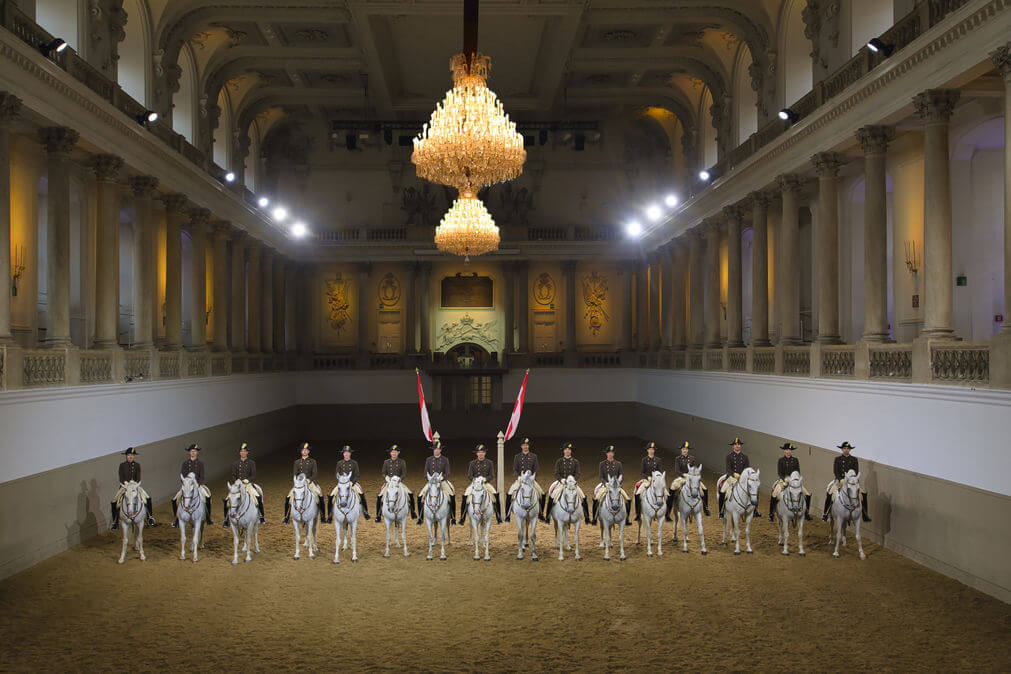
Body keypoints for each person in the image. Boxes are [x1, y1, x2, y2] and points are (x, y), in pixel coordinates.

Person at [823, 441, 871, 522]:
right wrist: (840, 479)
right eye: (844, 448)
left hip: (851, 482)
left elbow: (856, 471)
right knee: (830, 493)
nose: (846, 450)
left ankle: (865, 514)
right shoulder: (837, 459)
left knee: (863, 494)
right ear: (842, 449)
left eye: (848, 449)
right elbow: (836, 471)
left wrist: (854, 480)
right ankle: (826, 513)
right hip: (840, 481)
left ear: (850, 450)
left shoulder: (854, 460)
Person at [110, 447, 155, 529]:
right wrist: (125, 483)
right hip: (125, 487)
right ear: (126, 456)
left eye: (132, 455)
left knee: (147, 497)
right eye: (129, 455)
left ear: (134, 456)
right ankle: (115, 522)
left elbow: (138, 477)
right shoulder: (122, 465)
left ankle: (150, 517)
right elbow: (121, 477)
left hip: (135, 486)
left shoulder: (137, 465)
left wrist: (135, 484)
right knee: (115, 501)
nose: (130, 457)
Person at [223, 442, 266, 527]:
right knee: (227, 500)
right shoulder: (235, 463)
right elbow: (233, 475)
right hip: (238, 485)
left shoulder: (251, 463)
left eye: (244, 451)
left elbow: (253, 475)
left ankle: (261, 516)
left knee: (257, 496)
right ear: (240, 452)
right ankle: (226, 519)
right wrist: (237, 481)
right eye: (241, 451)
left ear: (247, 452)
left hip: (248, 485)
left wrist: (248, 480)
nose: (243, 452)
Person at [545, 442, 589, 523]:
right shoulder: (559, 461)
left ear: (571, 451)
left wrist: (573, 480)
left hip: (572, 484)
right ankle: (548, 517)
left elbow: (578, 473)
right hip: (562, 484)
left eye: (569, 449)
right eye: (566, 449)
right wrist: (561, 479)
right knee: (552, 497)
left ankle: (587, 517)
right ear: (563, 451)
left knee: (583, 497)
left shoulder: (575, 462)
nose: (567, 451)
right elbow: (556, 473)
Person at [460, 444, 502, 525]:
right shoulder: (472, 463)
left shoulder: (489, 463)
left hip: (485, 484)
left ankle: (498, 516)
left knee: (495, 495)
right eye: (479, 452)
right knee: (465, 496)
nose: (481, 454)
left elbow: (492, 475)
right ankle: (462, 517)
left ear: (485, 453)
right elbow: (469, 475)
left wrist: (485, 479)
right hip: (475, 484)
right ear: (476, 454)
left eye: (482, 452)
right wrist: (475, 480)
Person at [769, 442, 811, 521]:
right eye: (787, 450)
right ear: (784, 451)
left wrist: (795, 480)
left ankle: (806, 512)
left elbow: (797, 471)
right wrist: (784, 479)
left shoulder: (795, 460)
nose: (788, 451)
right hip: (783, 480)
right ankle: (771, 513)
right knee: (774, 493)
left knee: (807, 494)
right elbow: (780, 472)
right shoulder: (781, 460)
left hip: (794, 481)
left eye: (790, 450)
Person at [718, 437, 759, 519]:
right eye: (735, 445)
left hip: (742, 479)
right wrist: (734, 474)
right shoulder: (729, 456)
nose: (737, 446)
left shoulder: (745, 457)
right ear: (733, 446)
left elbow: (747, 469)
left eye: (739, 445)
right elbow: (728, 469)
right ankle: (721, 511)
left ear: (740, 446)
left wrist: (744, 476)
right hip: (732, 478)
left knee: (754, 489)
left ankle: (755, 510)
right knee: (723, 490)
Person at [172, 443, 211, 527]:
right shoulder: (185, 463)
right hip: (187, 486)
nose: (193, 453)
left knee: (207, 497)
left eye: (195, 451)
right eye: (192, 451)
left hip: (197, 486)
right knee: (175, 499)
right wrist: (186, 484)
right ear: (189, 452)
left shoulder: (200, 463)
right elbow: (182, 475)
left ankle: (208, 518)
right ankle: (176, 519)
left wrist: (198, 484)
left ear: (197, 453)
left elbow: (202, 476)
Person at [417, 440, 455, 525]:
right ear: (433, 450)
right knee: (420, 496)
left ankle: (453, 517)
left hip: (442, 482)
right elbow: (425, 472)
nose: (436, 451)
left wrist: (441, 478)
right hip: (432, 482)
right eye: (435, 449)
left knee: (451, 496)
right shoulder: (429, 459)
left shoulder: (445, 459)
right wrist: (429, 479)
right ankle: (420, 517)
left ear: (440, 450)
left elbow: (447, 472)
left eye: (438, 449)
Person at [505, 437, 543, 522]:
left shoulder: (534, 456)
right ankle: (507, 515)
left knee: (541, 493)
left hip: (531, 480)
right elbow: (515, 469)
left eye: (527, 445)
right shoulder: (517, 457)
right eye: (523, 445)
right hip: (520, 480)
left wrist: (533, 477)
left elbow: (536, 469)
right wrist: (518, 477)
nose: (525, 447)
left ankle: (541, 514)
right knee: (510, 493)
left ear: (528, 446)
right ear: (521, 446)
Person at [284, 442, 323, 524]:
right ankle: (286, 517)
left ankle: (322, 516)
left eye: (306, 450)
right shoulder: (297, 462)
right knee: (289, 497)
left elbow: (315, 473)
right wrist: (299, 481)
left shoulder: (313, 461)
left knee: (319, 495)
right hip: (300, 484)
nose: (304, 451)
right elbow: (295, 474)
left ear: (308, 451)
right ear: (301, 451)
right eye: (303, 450)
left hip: (310, 483)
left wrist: (309, 480)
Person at [668, 441, 710, 517]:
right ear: (681, 450)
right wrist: (684, 475)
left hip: (691, 478)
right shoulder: (677, 458)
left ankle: (705, 508)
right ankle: (668, 509)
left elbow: (694, 469)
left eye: (686, 449)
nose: (685, 450)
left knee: (704, 489)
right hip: (682, 478)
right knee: (672, 489)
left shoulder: (692, 458)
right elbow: (677, 470)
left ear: (688, 450)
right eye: (683, 449)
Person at [330, 444, 370, 522]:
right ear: (343, 454)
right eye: (345, 452)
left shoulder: (354, 463)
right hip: (342, 484)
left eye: (348, 452)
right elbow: (336, 474)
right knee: (332, 496)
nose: (346, 454)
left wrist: (352, 482)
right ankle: (330, 515)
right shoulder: (339, 463)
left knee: (361, 495)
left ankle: (365, 512)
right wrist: (341, 481)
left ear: (350, 453)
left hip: (352, 484)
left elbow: (357, 474)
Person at [593, 445, 631, 526]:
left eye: (612, 452)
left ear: (613, 454)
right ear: (606, 454)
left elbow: (621, 475)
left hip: (616, 487)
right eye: (609, 452)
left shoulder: (618, 464)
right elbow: (601, 476)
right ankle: (595, 517)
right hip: (606, 485)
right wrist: (605, 483)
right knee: (597, 498)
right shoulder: (602, 464)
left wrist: (619, 484)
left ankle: (627, 518)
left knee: (627, 499)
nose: (610, 454)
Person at [376, 444, 415, 521]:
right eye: (392, 452)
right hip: (389, 483)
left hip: (398, 483)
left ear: (398, 453)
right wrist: (386, 477)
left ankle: (413, 512)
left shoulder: (402, 462)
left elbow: (404, 473)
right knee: (380, 496)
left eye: (395, 452)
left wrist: (399, 479)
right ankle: (378, 515)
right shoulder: (386, 462)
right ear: (390, 453)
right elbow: (383, 472)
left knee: (409, 494)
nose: (394, 453)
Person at [633, 441, 663, 522]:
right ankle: (638, 514)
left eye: (653, 449)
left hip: (656, 480)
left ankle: (664, 512)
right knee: (638, 493)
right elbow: (642, 472)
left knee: (666, 493)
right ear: (647, 450)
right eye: (650, 449)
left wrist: (657, 478)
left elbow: (660, 471)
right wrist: (648, 477)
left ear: (654, 450)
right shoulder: (644, 460)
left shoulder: (658, 460)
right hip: (647, 480)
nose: (651, 451)